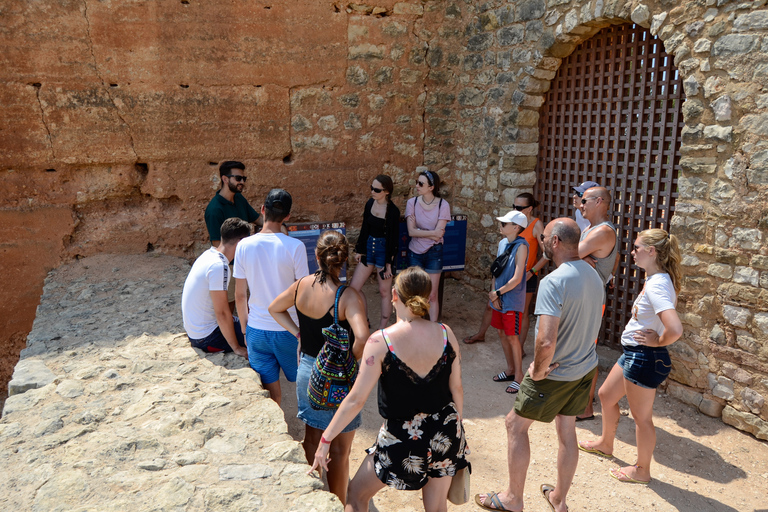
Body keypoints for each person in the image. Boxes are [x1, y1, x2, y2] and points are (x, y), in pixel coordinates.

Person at [310, 266, 468, 512]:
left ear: (394, 294)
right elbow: (456, 388)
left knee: (356, 494)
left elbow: (355, 400)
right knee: (436, 507)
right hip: (446, 430)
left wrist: (326, 438)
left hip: (403, 436)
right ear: (429, 296)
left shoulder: (380, 341)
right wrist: (457, 429)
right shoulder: (446, 333)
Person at [475, 218, 603, 512]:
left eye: (543, 236)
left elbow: (546, 341)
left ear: (555, 242)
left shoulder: (553, 281)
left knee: (514, 426)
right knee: (567, 430)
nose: (540, 239)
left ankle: (513, 498)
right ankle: (559, 499)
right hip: (584, 368)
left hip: (556, 372)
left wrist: (539, 370)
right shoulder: (593, 274)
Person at [269, 230, 369, 505]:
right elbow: (362, 336)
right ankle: (337, 502)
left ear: (317, 256)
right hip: (336, 378)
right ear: (345, 259)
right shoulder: (347, 296)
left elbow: (274, 308)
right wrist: (351, 362)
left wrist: (298, 333)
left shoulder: (301, 285)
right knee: (340, 449)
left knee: (312, 438)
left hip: (308, 371)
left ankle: (310, 498)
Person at [578, 228, 683, 485]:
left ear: (652, 251)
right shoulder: (659, 278)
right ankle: (605, 443)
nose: (632, 252)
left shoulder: (658, 284)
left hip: (644, 356)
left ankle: (642, 470)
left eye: (637, 248)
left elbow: (675, 329)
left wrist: (657, 341)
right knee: (605, 395)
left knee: (642, 419)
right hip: (634, 354)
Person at [234, 188, 309, 405]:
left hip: (257, 330)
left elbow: (240, 295)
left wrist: (245, 331)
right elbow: (302, 293)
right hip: (289, 330)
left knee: (271, 395)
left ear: (262, 210)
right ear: (287, 217)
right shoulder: (295, 246)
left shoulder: (244, 246)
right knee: (304, 388)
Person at [464, 193, 546, 352]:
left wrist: (532, 271)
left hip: (525, 277)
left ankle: (519, 348)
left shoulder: (536, 225)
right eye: (514, 206)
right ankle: (481, 333)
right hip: (505, 276)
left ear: (529, 209)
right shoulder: (511, 223)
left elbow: (547, 254)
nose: (516, 209)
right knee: (491, 305)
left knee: (521, 312)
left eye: (520, 207)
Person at [576, 185, 619, 421]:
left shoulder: (602, 232)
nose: (580, 205)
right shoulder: (593, 229)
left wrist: (577, 256)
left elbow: (563, 253)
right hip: (585, 296)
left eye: (584, 201)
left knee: (586, 352)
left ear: (599, 201)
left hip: (590, 299)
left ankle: (585, 409)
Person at [182, 218, 252, 357]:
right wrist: (236, 347)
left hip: (196, 331)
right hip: (206, 338)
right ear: (241, 243)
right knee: (258, 338)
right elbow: (222, 313)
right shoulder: (219, 266)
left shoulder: (209, 254)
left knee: (251, 325)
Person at [204, 161, 262, 311]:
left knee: (249, 305)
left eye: (244, 178)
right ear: (225, 179)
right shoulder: (214, 209)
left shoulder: (239, 199)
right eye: (238, 178)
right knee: (229, 306)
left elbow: (256, 218)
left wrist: (276, 223)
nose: (242, 182)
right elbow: (218, 245)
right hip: (229, 266)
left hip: (246, 262)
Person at [350, 175, 401, 329]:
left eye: (376, 189)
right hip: (369, 248)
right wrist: (359, 250)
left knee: (384, 291)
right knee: (354, 288)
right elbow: (365, 227)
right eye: (371, 188)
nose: (372, 191)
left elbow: (393, 240)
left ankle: (383, 328)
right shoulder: (369, 203)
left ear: (386, 191)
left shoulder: (393, 211)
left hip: (384, 251)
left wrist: (389, 264)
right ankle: (365, 320)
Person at [488, 210, 528, 394]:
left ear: (516, 227)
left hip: (512, 299)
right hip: (499, 296)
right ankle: (510, 369)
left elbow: (518, 277)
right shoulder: (502, 243)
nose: (501, 225)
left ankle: (519, 375)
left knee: (512, 336)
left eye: (505, 223)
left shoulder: (522, 247)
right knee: (501, 332)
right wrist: (493, 293)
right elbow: (496, 270)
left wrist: (497, 293)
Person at [405, 169, 451, 321]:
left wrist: (421, 231)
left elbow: (440, 233)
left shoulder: (443, 205)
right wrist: (431, 233)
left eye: (421, 183)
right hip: (414, 252)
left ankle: (433, 329)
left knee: (432, 294)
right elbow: (411, 232)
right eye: (416, 182)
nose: (417, 185)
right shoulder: (412, 202)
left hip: (434, 251)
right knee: (414, 293)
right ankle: (414, 327)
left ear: (431, 187)